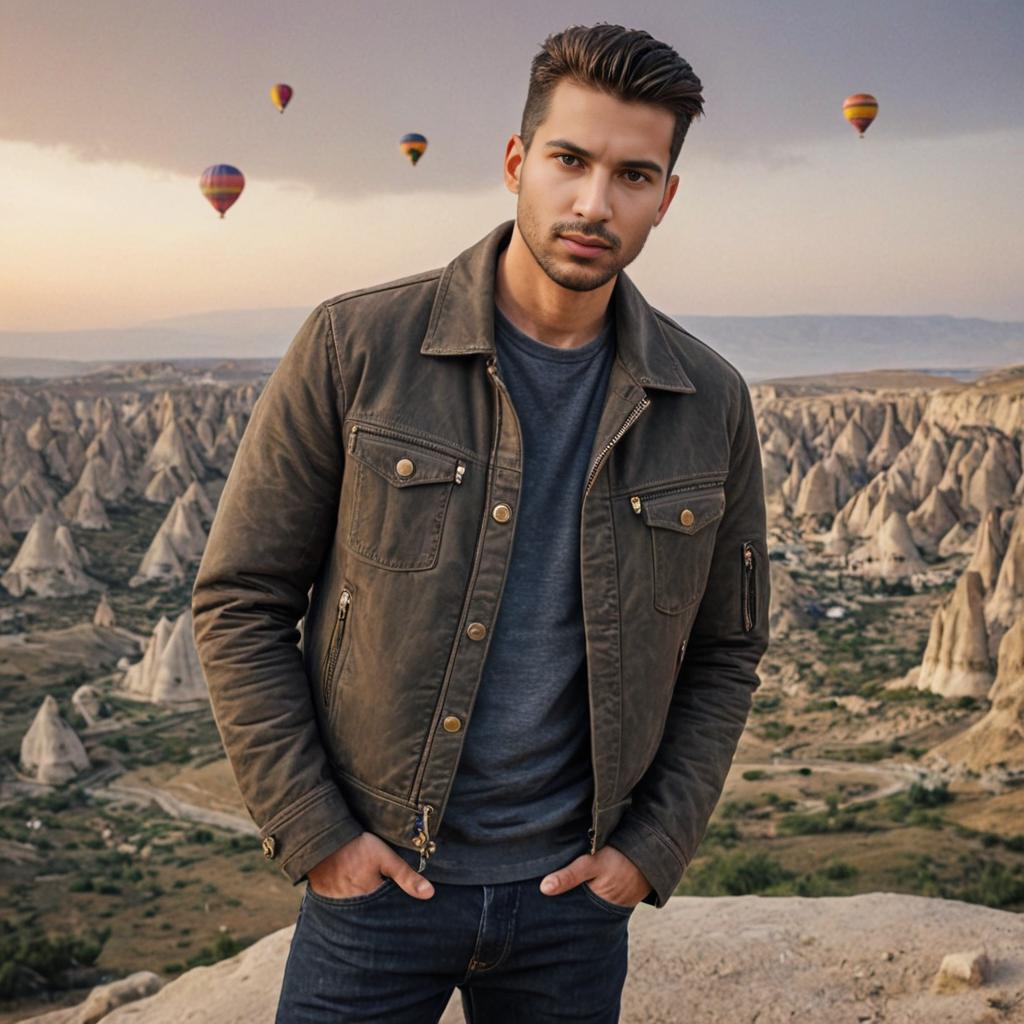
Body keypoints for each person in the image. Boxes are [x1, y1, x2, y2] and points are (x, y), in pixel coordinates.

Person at [192, 21, 770, 1024]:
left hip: (572, 909)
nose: (595, 202)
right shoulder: (356, 345)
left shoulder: (706, 401)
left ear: (665, 198)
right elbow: (239, 598)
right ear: (516, 162)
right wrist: (315, 832)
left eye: (633, 175)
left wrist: (648, 851)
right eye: (569, 160)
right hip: (376, 891)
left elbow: (725, 650)